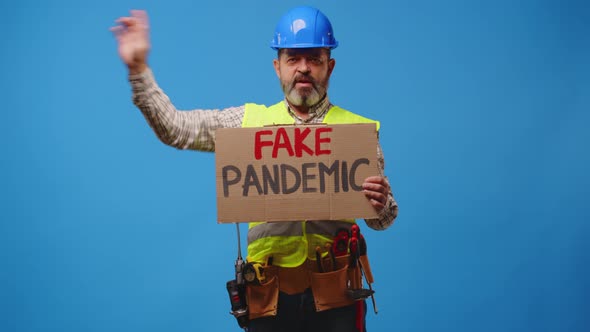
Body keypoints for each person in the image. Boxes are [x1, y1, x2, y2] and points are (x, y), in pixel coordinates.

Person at [112, 6, 398, 332]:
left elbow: (384, 220)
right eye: (293, 58)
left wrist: (381, 202)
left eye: (314, 59)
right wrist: (138, 70)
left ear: (329, 67)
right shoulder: (247, 124)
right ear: (278, 67)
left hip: (338, 299)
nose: (303, 68)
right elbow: (177, 129)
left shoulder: (357, 133)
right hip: (269, 300)